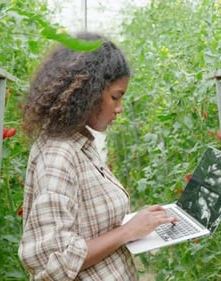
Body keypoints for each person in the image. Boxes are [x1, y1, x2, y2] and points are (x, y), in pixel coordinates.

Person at [18, 32, 177, 280]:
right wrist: (126, 232)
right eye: (115, 96)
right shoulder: (58, 156)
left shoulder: (77, 141)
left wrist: (140, 222)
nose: (119, 108)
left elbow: (87, 221)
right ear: (87, 91)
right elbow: (53, 262)